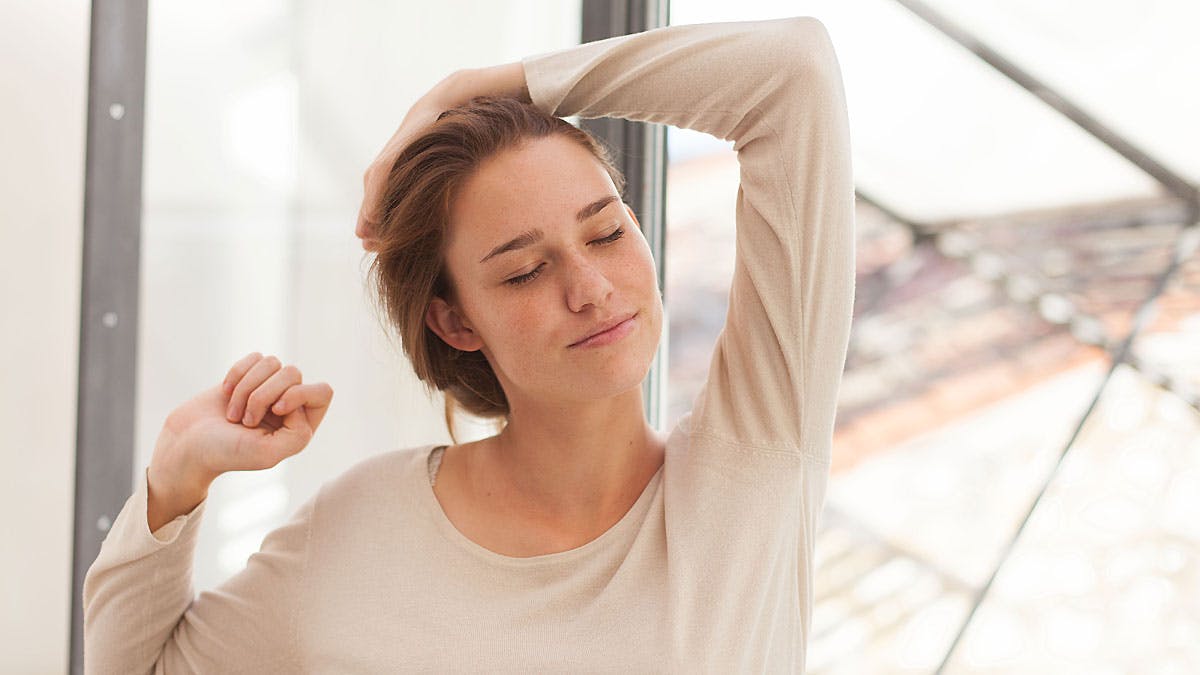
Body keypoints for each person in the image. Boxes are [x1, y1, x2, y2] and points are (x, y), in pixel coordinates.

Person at [83, 15, 855, 673]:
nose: (590, 286)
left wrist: (498, 85)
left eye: (608, 230)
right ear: (455, 321)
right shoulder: (360, 531)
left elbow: (793, 75)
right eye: (524, 272)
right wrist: (177, 475)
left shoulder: (750, 477)